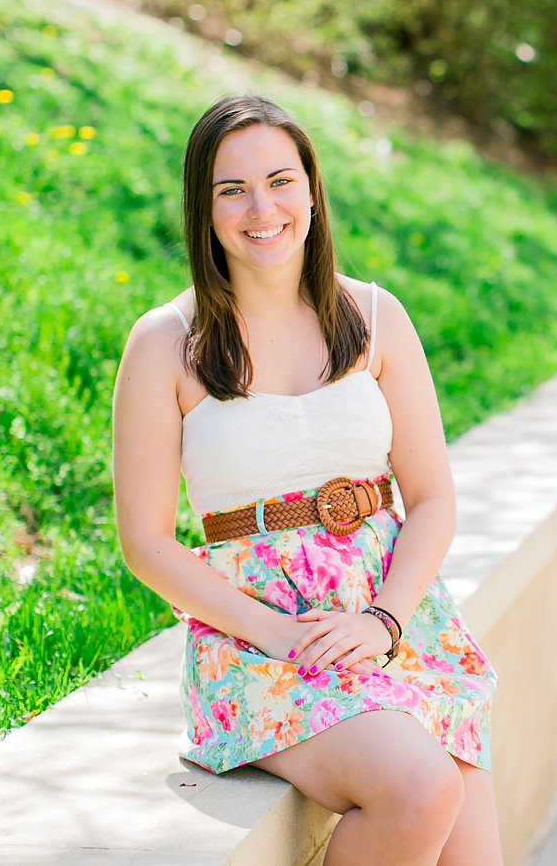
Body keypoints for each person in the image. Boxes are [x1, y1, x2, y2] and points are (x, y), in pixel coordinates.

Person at [111, 94, 502, 865]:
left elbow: (430, 499)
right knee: (419, 789)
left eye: (281, 180)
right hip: (260, 645)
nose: (263, 208)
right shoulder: (165, 341)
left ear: (313, 192)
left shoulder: (375, 316)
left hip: (395, 627)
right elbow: (145, 541)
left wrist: (384, 620)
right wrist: (282, 634)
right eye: (233, 190)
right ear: (205, 207)